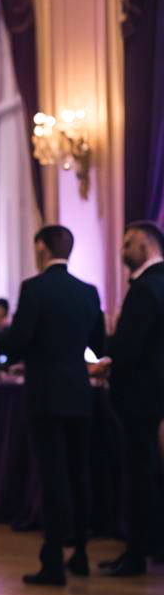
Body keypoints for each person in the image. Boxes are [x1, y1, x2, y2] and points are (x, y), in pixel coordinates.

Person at [1, 226, 106, 586]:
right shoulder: (88, 292)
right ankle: (81, 553)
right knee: (79, 473)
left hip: (44, 394)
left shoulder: (34, 289)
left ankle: (53, 562)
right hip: (79, 392)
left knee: (52, 477)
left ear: (42, 247)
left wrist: (8, 349)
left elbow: (17, 343)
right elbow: (98, 341)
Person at [97, 221, 164, 577]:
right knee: (153, 472)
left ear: (148, 246)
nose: (123, 250)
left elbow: (130, 347)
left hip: (139, 398)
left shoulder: (144, 289)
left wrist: (108, 354)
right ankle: (153, 545)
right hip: (157, 393)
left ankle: (136, 553)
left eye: (128, 243)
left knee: (139, 473)